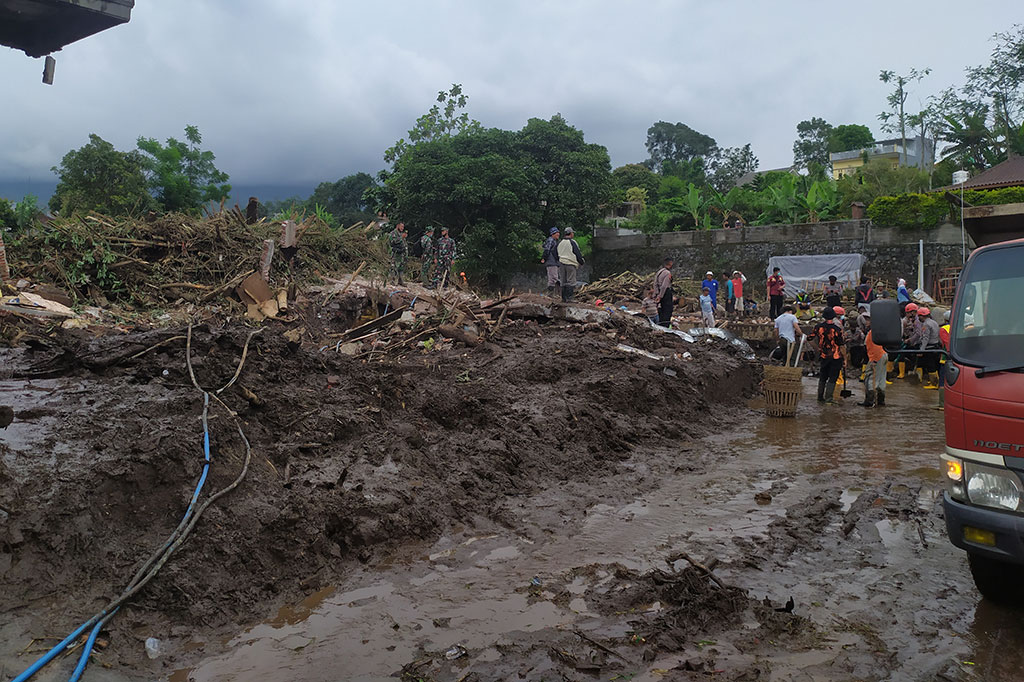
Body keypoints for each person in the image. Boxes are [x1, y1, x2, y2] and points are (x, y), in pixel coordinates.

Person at [813, 307, 845, 404]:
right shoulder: (837, 329)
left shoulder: (818, 327)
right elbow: (841, 345)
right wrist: (845, 359)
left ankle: (820, 397)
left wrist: (817, 348)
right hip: (835, 356)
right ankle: (828, 399)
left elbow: (809, 338)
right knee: (833, 377)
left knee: (823, 376)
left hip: (824, 356)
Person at [858, 312, 888, 407]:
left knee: (871, 378)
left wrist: (874, 360)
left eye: (868, 320)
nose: (866, 321)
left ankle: (870, 401)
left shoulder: (872, 333)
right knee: (881, 379)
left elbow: (875, 347)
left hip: (877, 356)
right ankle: (880, 400)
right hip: (883, 355)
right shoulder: (877, 331)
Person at [915, 307, 943, 389]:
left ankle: (933, 384)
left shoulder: (926, 324)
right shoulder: (934, 322)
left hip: (929, 347)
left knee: (931, 366)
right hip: (936, 346)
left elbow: (925, 338)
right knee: (936, 365)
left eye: (919, 316)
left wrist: (921, 350)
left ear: (922, 316)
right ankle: (937, 382)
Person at [556, 227, 584, 302]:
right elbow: (577, 253)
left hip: (561, 263)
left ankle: (563, 298)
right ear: (571, 234)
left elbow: (555, 252)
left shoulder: (560, 242)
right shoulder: (572, 242)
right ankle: (570, 298)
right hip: (570, 263)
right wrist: (581, 262)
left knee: (563, 280)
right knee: (571, 281)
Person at [653, 256, 675, 326]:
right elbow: (664, 286)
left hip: (659, 292)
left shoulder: (659, 272)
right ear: (670, 263)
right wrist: (660, 296)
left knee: (661, 310)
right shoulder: (667, 273)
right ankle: (665, 326)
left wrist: (656, 294)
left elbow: (655, 284)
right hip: (665, 293)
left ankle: (660, 325)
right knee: (667, 310)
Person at [541, 227, 560, 296]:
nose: (558, 234)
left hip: (553, 262)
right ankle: (556, 293)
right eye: (556, 233)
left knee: (551, 279)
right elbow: (547, 250)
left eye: (558, 232)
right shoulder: (551, 240)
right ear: (552, 234)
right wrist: (544, 258)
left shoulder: (554, 241)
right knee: (554, 278)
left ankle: (551, 294)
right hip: (552, 262)